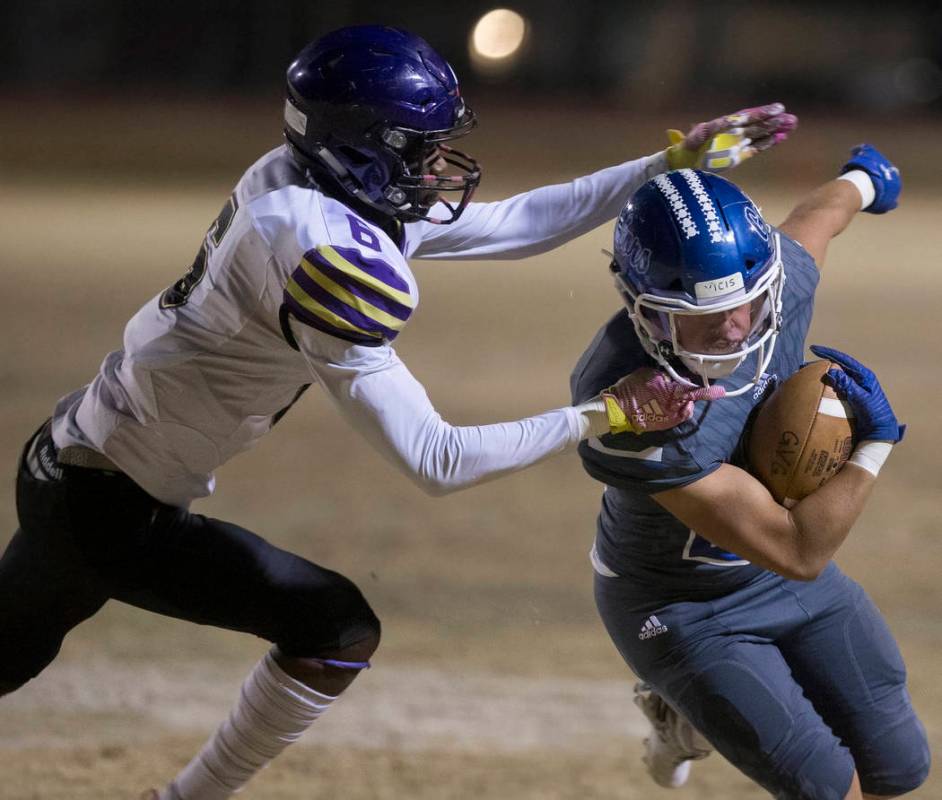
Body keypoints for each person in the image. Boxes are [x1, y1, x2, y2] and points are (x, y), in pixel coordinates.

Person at [0, 24, 796, 800]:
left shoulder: (298, 179)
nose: (439, 163)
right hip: (108, 500)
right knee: (335, 630)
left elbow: (517, 224)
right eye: (418, 147)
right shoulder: (327, 252)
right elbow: (437, 461)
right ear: (358, 147)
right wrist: (606, 415)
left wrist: (670, 162)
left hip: (77, 459)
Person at [571, 146, 931, 799]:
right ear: (641, 307)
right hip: (679, 603)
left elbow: (816, 220)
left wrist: (864, 179)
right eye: (706, 317)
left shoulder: (777, 279)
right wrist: (873, 446)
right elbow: (800, 549)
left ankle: (687, 712)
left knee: (901, 767)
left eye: (749, 300)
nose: (737, 326)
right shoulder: (626, 407)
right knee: (827, 787)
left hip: (762, 569)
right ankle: (679, 700)